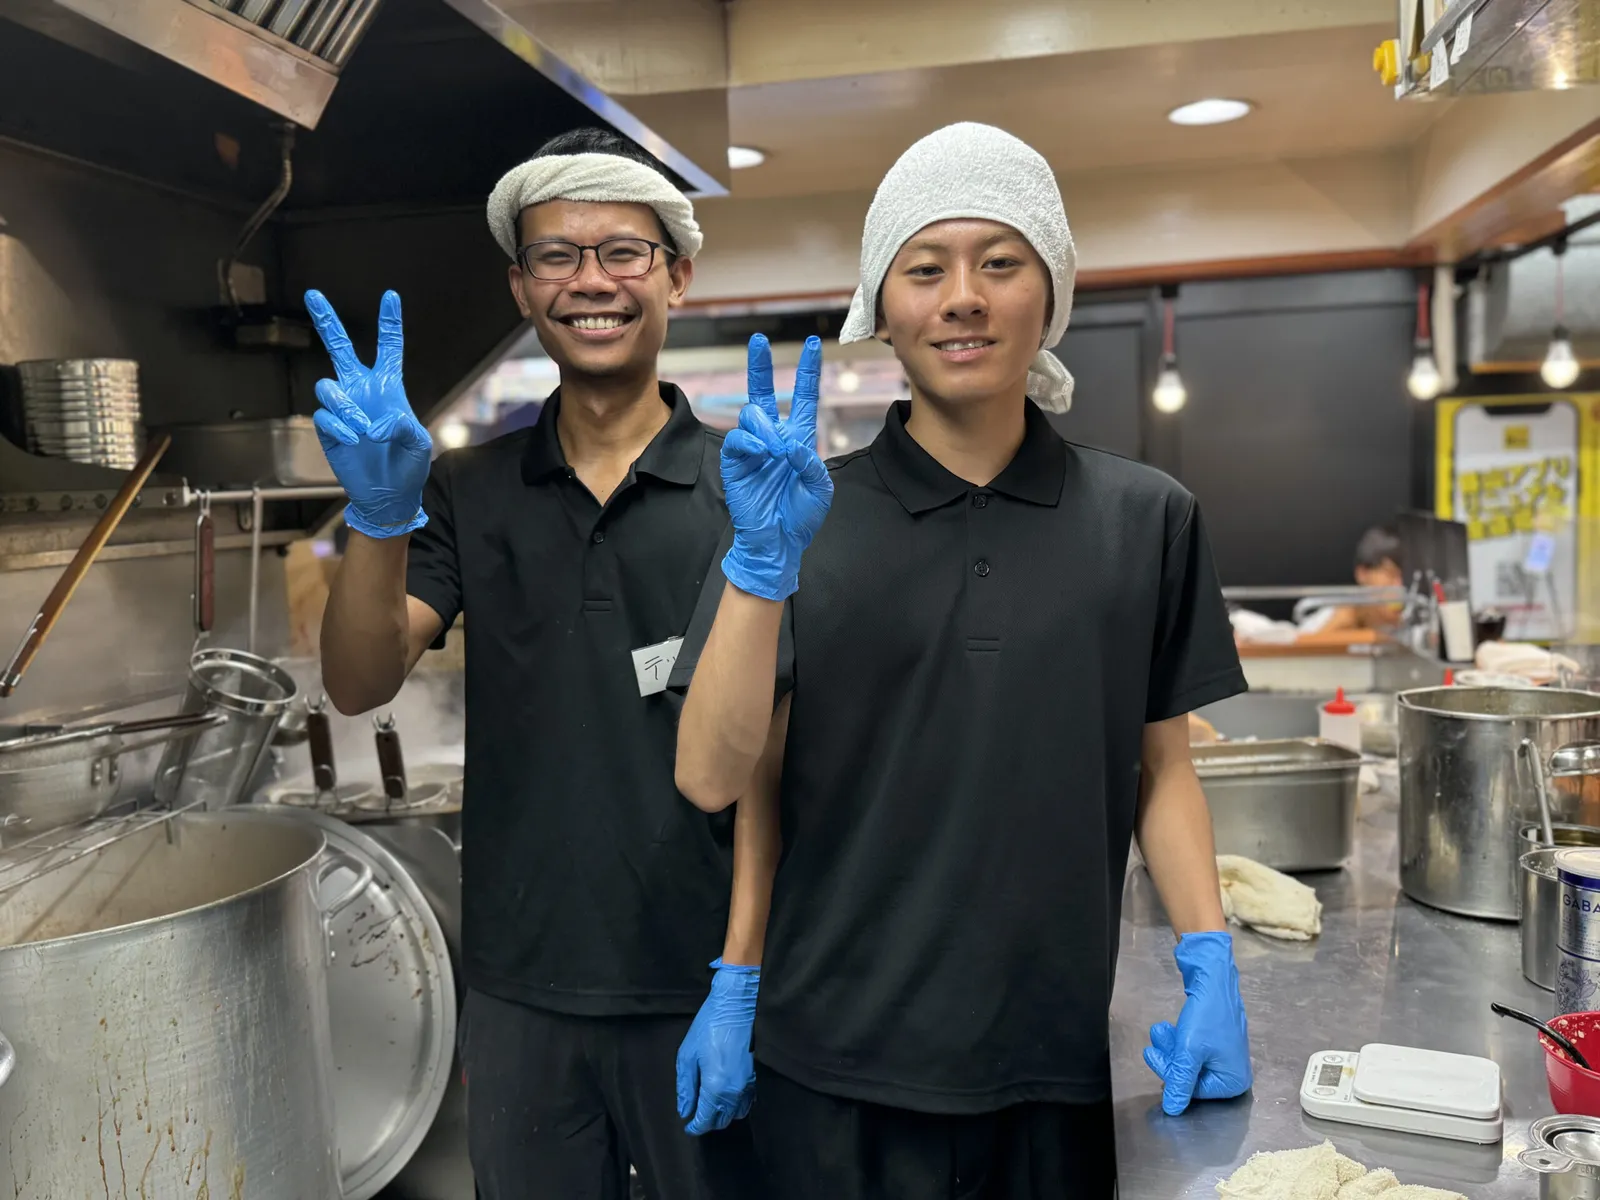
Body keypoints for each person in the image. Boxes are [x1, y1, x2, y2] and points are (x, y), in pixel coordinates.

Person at [670, 122, 1253, 1198]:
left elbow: (1162, 768)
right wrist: (757, 569)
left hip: (1054, 1064)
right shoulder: (799, 517)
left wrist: (1208, 960)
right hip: (831, 1065)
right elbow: (723, 780)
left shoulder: (1146, 519)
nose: (965, 298)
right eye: (925, 268)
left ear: (1051, 292)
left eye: (1001, 262)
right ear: (880, 307)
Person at [309, 127, 760, 1200]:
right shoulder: (469, 488)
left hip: (702, 979)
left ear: (677, 277)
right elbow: (360, 681)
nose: (590, 282)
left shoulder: (746, 492)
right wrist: (377, 516)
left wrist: (746, 974)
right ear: (521, 287)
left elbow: (783, 764)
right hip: (521, 988)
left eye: (624, 252)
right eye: (556, 255)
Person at [1310, 525, 1406, 634]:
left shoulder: (1413, 626)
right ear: (1362, 574)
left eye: (1404, 577)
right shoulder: (1327, 619)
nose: (1399, 586)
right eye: (1391, 574)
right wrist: (1337, 625)